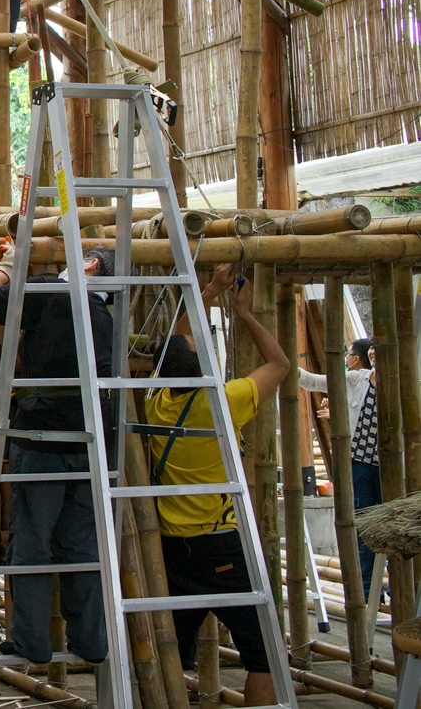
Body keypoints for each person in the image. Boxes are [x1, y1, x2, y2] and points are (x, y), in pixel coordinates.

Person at [145, 263, 290, 706]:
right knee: (263, 653)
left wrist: (208, 291)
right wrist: (244, 314)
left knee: (168, 650)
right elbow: (280, 364)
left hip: (171, 547)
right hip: (221, 545)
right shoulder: (220, 402)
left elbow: (179, 344)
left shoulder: (154, 403)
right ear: (200, 364)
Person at [0, 244, 115, 665]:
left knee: (31, 545)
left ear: (88, 264)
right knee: (82, 549)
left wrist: (10, 264)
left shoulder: (53, 291)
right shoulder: (105, 312)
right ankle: (90, 642)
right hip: (91, 444)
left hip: (41, 438)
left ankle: (32, 643)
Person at [298, 336, 378, 593]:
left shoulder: (404, 383)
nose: (375, 353)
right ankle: (366, 590)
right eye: (373, 348)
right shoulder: (358, 379)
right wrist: (285, 364)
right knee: (364, 525)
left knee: (390, 527)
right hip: (359, 464)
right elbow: (314, 381)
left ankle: (391, 587)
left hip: (389, 468)